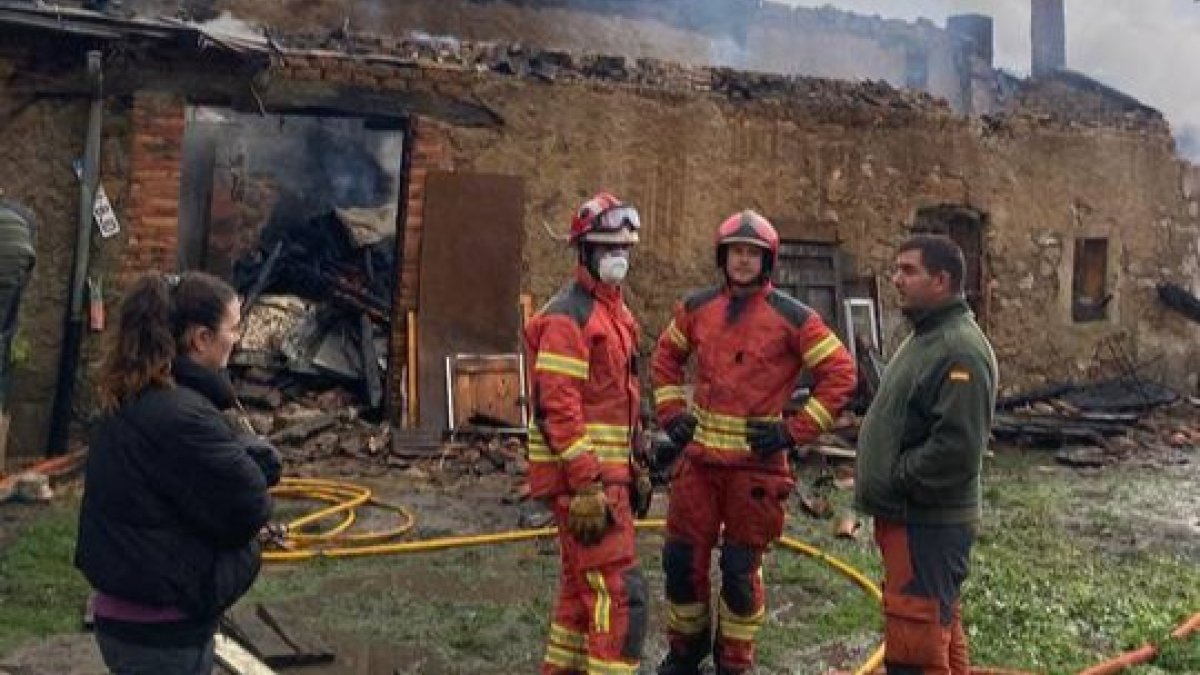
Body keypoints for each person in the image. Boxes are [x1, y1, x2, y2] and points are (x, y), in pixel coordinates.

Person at [651, 210, 856, 675]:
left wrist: (792, 431)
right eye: (736, 252)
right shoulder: (697, 307)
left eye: (752, 254)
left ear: (768, 261)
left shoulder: (793, 317)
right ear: (722, 258)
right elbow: (665, 356)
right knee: (681, 564)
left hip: (756, 472)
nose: (743, 261)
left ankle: (734, 663)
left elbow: (841, 374)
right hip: (699, 467)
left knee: (741, 576)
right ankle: (685, 653)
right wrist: (671, 413)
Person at [75, 271, 281, 675]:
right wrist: (252, 466)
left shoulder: (139, 397)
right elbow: (249, 507)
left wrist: (238, 454)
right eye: (233, 328)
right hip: (162, 629)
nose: (237, 339)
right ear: (201, 338)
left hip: (125, 614)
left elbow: (175, 498)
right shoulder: (183, 417)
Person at [855, 234, 997, 675]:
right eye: (896, 269)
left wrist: (898, 478)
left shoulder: (960, 349)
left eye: (908, 270)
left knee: (916, 647)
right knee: (938, 625)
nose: (896, 279)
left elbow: (956, 448)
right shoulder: (928, 337)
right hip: (912, 521)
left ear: (942, 280)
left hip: (927, 525)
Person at [525, 192, 649, 675]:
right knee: (621, 597)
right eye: (605, 246)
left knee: (581, 597)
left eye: (624, 247)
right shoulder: (568, 317)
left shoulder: (615, 314)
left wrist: (635, 465)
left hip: (606, 480)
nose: (617, 256)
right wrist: (587, 484)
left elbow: (620, 403)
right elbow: (559, 408)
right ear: (584, 252)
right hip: (588, 486)